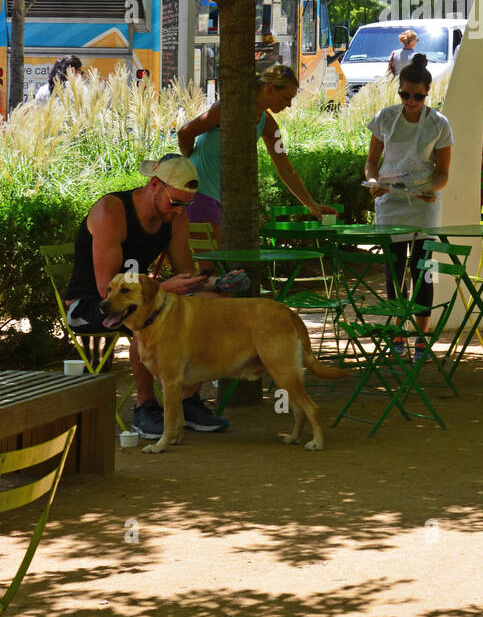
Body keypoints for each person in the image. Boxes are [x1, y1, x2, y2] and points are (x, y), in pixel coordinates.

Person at [63, 153, 229, 439]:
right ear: (155, 184)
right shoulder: (111, 211)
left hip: (140, 297)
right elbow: (108, 290)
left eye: (186, 205)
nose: (178, 211)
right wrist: (163, 289)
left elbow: (186, 275)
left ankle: (186, 401)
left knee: (211, 305)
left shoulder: (176, 217)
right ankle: (144, 407)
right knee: (143, 316)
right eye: (175, 203)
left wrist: (217, 282)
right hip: (92, 305)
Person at [178, 63, 335, 239]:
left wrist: (311, 205)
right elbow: (185, 133)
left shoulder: (268, 124)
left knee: (222, 262)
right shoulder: (226, 109)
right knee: (211, 263)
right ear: (270, 89)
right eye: (286, 98)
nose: (289, 105)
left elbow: (286, 169)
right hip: (201, 194)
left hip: (226, 201)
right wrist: (190, 163)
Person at [365, 53, 453, 361]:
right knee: (394, 271)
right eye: (405, 94)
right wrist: (374, 181)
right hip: (391, 203)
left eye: (417, 96)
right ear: (399, 90)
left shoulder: (438, 123)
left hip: (422, 205)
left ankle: (421, 338)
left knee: (424, 271)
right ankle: (398, 332)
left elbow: (443, 172)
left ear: (428, 93)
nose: (411, 101)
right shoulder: (386, 117)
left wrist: (431, 189)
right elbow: (372, 162)